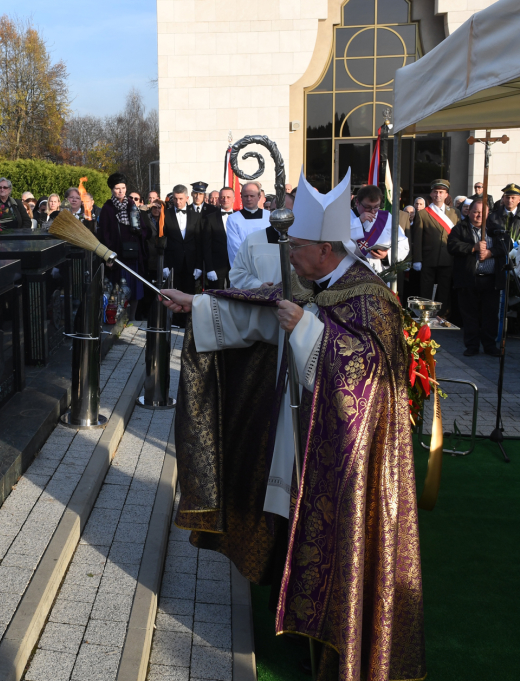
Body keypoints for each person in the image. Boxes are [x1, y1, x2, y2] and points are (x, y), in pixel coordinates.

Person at [161, 169, 424, 681]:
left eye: (297, 245)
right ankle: (310, 628)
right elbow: (266, 311)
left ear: (326, 249)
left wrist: (305, 329)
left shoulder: (371, 297)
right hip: (307, 437)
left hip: (354, 460)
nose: (290, 253)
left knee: (344, 546)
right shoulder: (322, 284)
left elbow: (363, 376)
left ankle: (340, 648)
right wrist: (196, 305)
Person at [447, 200, 506, 357]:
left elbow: (505, 245)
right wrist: (473, 248)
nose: (479, 215)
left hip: (490, 279)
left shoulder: (495, 229)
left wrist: (490, 253)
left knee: (490, 314)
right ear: (468, 212)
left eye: (482, 212)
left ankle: (489, 345)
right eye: (475, 211)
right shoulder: (460, 228)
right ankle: (472, 345)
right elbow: (452, 246)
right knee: (470, 315)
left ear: (488, 213)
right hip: (468, 279)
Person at [98, 172, 149, 310]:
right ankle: (119, 320)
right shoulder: (107, 208)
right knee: (117, 291)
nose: (121, 191)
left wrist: (139, 231)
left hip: (133, 255)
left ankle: (131, 319)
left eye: (123, 187)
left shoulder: (132, 205)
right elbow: (104, 234)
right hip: (117, 256)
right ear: (112, 190)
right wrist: (108, 255)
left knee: (135, 289)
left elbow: (144, 229)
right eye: (117, 188)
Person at [410, 179, 458, 313]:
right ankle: (424, 314)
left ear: (446, 195)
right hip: (428, 257)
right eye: (435, 192)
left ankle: (442, 315)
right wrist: (417, 259)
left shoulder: (454, 213)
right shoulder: (423, 213)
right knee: (426, 288)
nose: (438, 195)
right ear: (431, 194)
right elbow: (418, 238)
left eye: (441, 192)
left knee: (445, 288)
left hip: (447, 256)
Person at [346, 184, 410, 277]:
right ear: (357, 202)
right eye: (367, 207)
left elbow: (403, 243)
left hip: (379, 273)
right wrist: (358, 222)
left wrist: (387, 256)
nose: (372, 211)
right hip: (351, 272)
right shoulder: (346, 217)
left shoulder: (386, 218)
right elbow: (338, 242)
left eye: (376, 206)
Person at [161, 185, 202, 314]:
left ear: (187, 198)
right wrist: (165, 265)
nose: (178, 202)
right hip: (173, 262)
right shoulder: (166, 214)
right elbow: (162, 240)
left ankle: (188, 323)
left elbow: (199, 242)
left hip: (191, 262)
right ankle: (175, 321)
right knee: (174, 294)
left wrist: (199, 265)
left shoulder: (196, 215)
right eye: (175, 198)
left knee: (189, 293)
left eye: (180, 198)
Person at [198, 187, 236, 289]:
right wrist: (209, 268)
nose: (225, 199)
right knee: (215, 297)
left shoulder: (239, 216)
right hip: (217, 266)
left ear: (234, 199)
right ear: (219, 199)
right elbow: (206, 245)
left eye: (228, 197)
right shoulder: (210, 218)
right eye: (222, 197)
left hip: (237, 264)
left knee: (237, 295)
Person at [225, 181, 270, 265]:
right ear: (241, 197)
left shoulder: (269, 216)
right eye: (246, 196)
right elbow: (235, 247)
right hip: (246, 267)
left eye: (252, 196)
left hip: (268, 264)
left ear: (259, 197)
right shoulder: (233, 219)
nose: (249, 199)